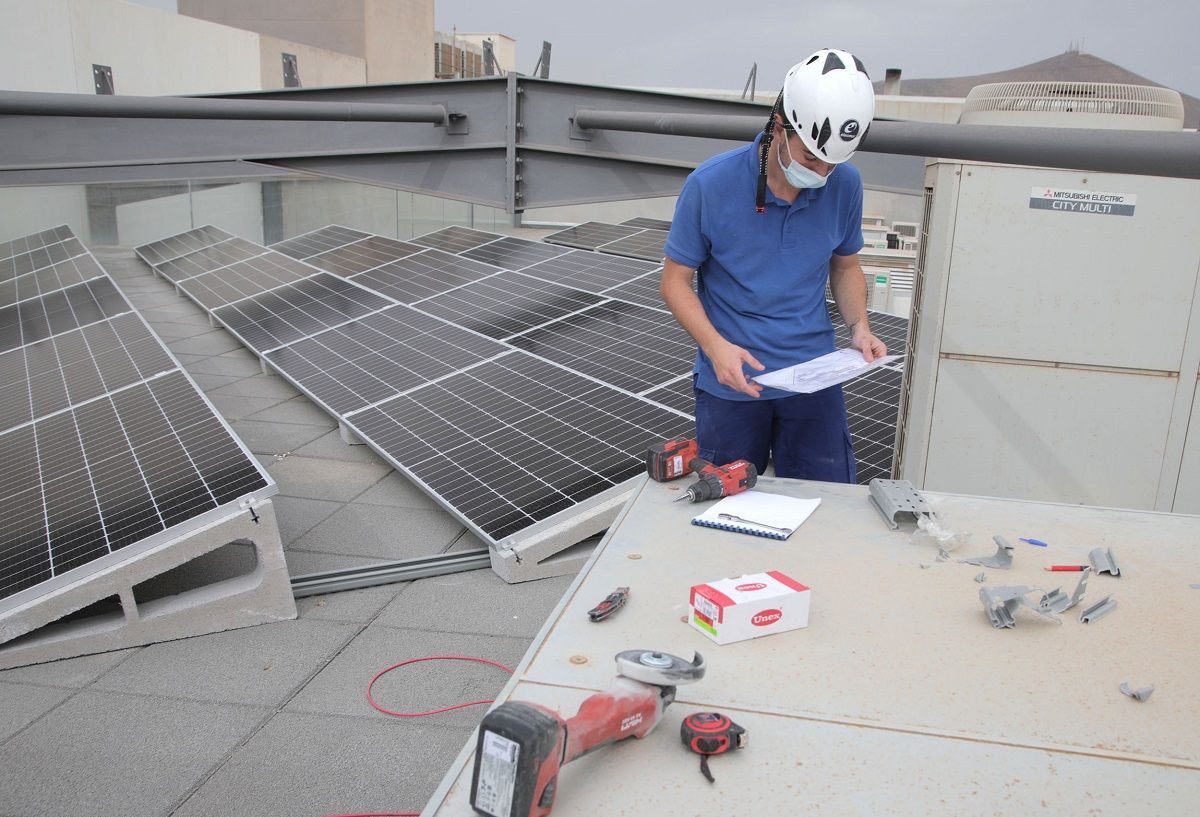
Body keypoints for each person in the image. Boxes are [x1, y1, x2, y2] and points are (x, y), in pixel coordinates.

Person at [661, 47, 886, 483]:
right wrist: (715, 347)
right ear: (780, 126)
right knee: (728, 513)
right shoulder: (711, 184)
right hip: (733, 383)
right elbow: (674, 282)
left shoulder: (845, 184)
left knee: (827, 505)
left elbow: (845, 266)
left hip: (813, 378)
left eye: (832, 162)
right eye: (811, 159)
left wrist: (859, 326)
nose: (822, 172)